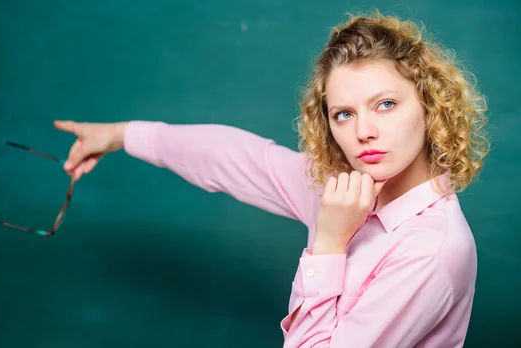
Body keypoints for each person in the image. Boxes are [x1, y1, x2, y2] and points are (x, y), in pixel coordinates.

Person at [54, 10, 489, 348]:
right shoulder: (344, 187)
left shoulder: (432, 250)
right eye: (344, 114)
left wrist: (329, 244)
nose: (363, 132)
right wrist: (120, 135)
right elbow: (237, 158)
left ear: (429, 106)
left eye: (386, 104)